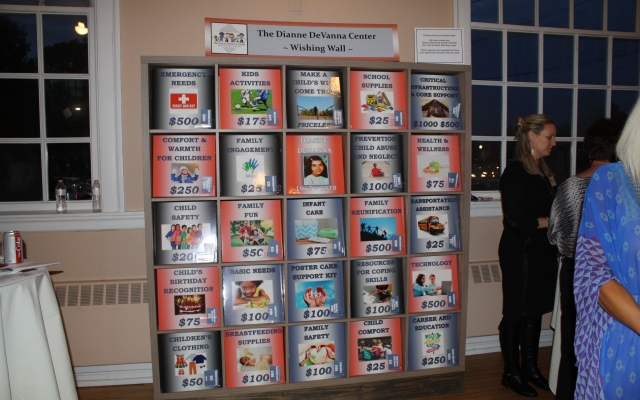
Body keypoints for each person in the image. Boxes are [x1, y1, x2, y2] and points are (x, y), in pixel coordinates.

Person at [547, 119, 622, 399]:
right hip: (617, 275)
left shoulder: (570, 186)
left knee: (573, 342)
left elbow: (554, 235)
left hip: (576, 271)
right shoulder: (626, 188)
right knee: (609, 341)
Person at [573, 100, 640, 399]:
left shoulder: (570, 183)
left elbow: (557, 233)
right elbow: (592, 266)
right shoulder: (610, 182)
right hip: (627, 327)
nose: (554, 142)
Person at [498, 114, 558, 397]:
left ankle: (530, 368)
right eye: (549, 137)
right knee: (516, 312)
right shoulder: (515, 172)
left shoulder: (544, 171)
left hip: (542, 249)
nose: (554, 143)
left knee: (534, 310)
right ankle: (511, 372)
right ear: (532, 137)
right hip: (520, 250)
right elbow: (516, 219)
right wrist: (550, 221)